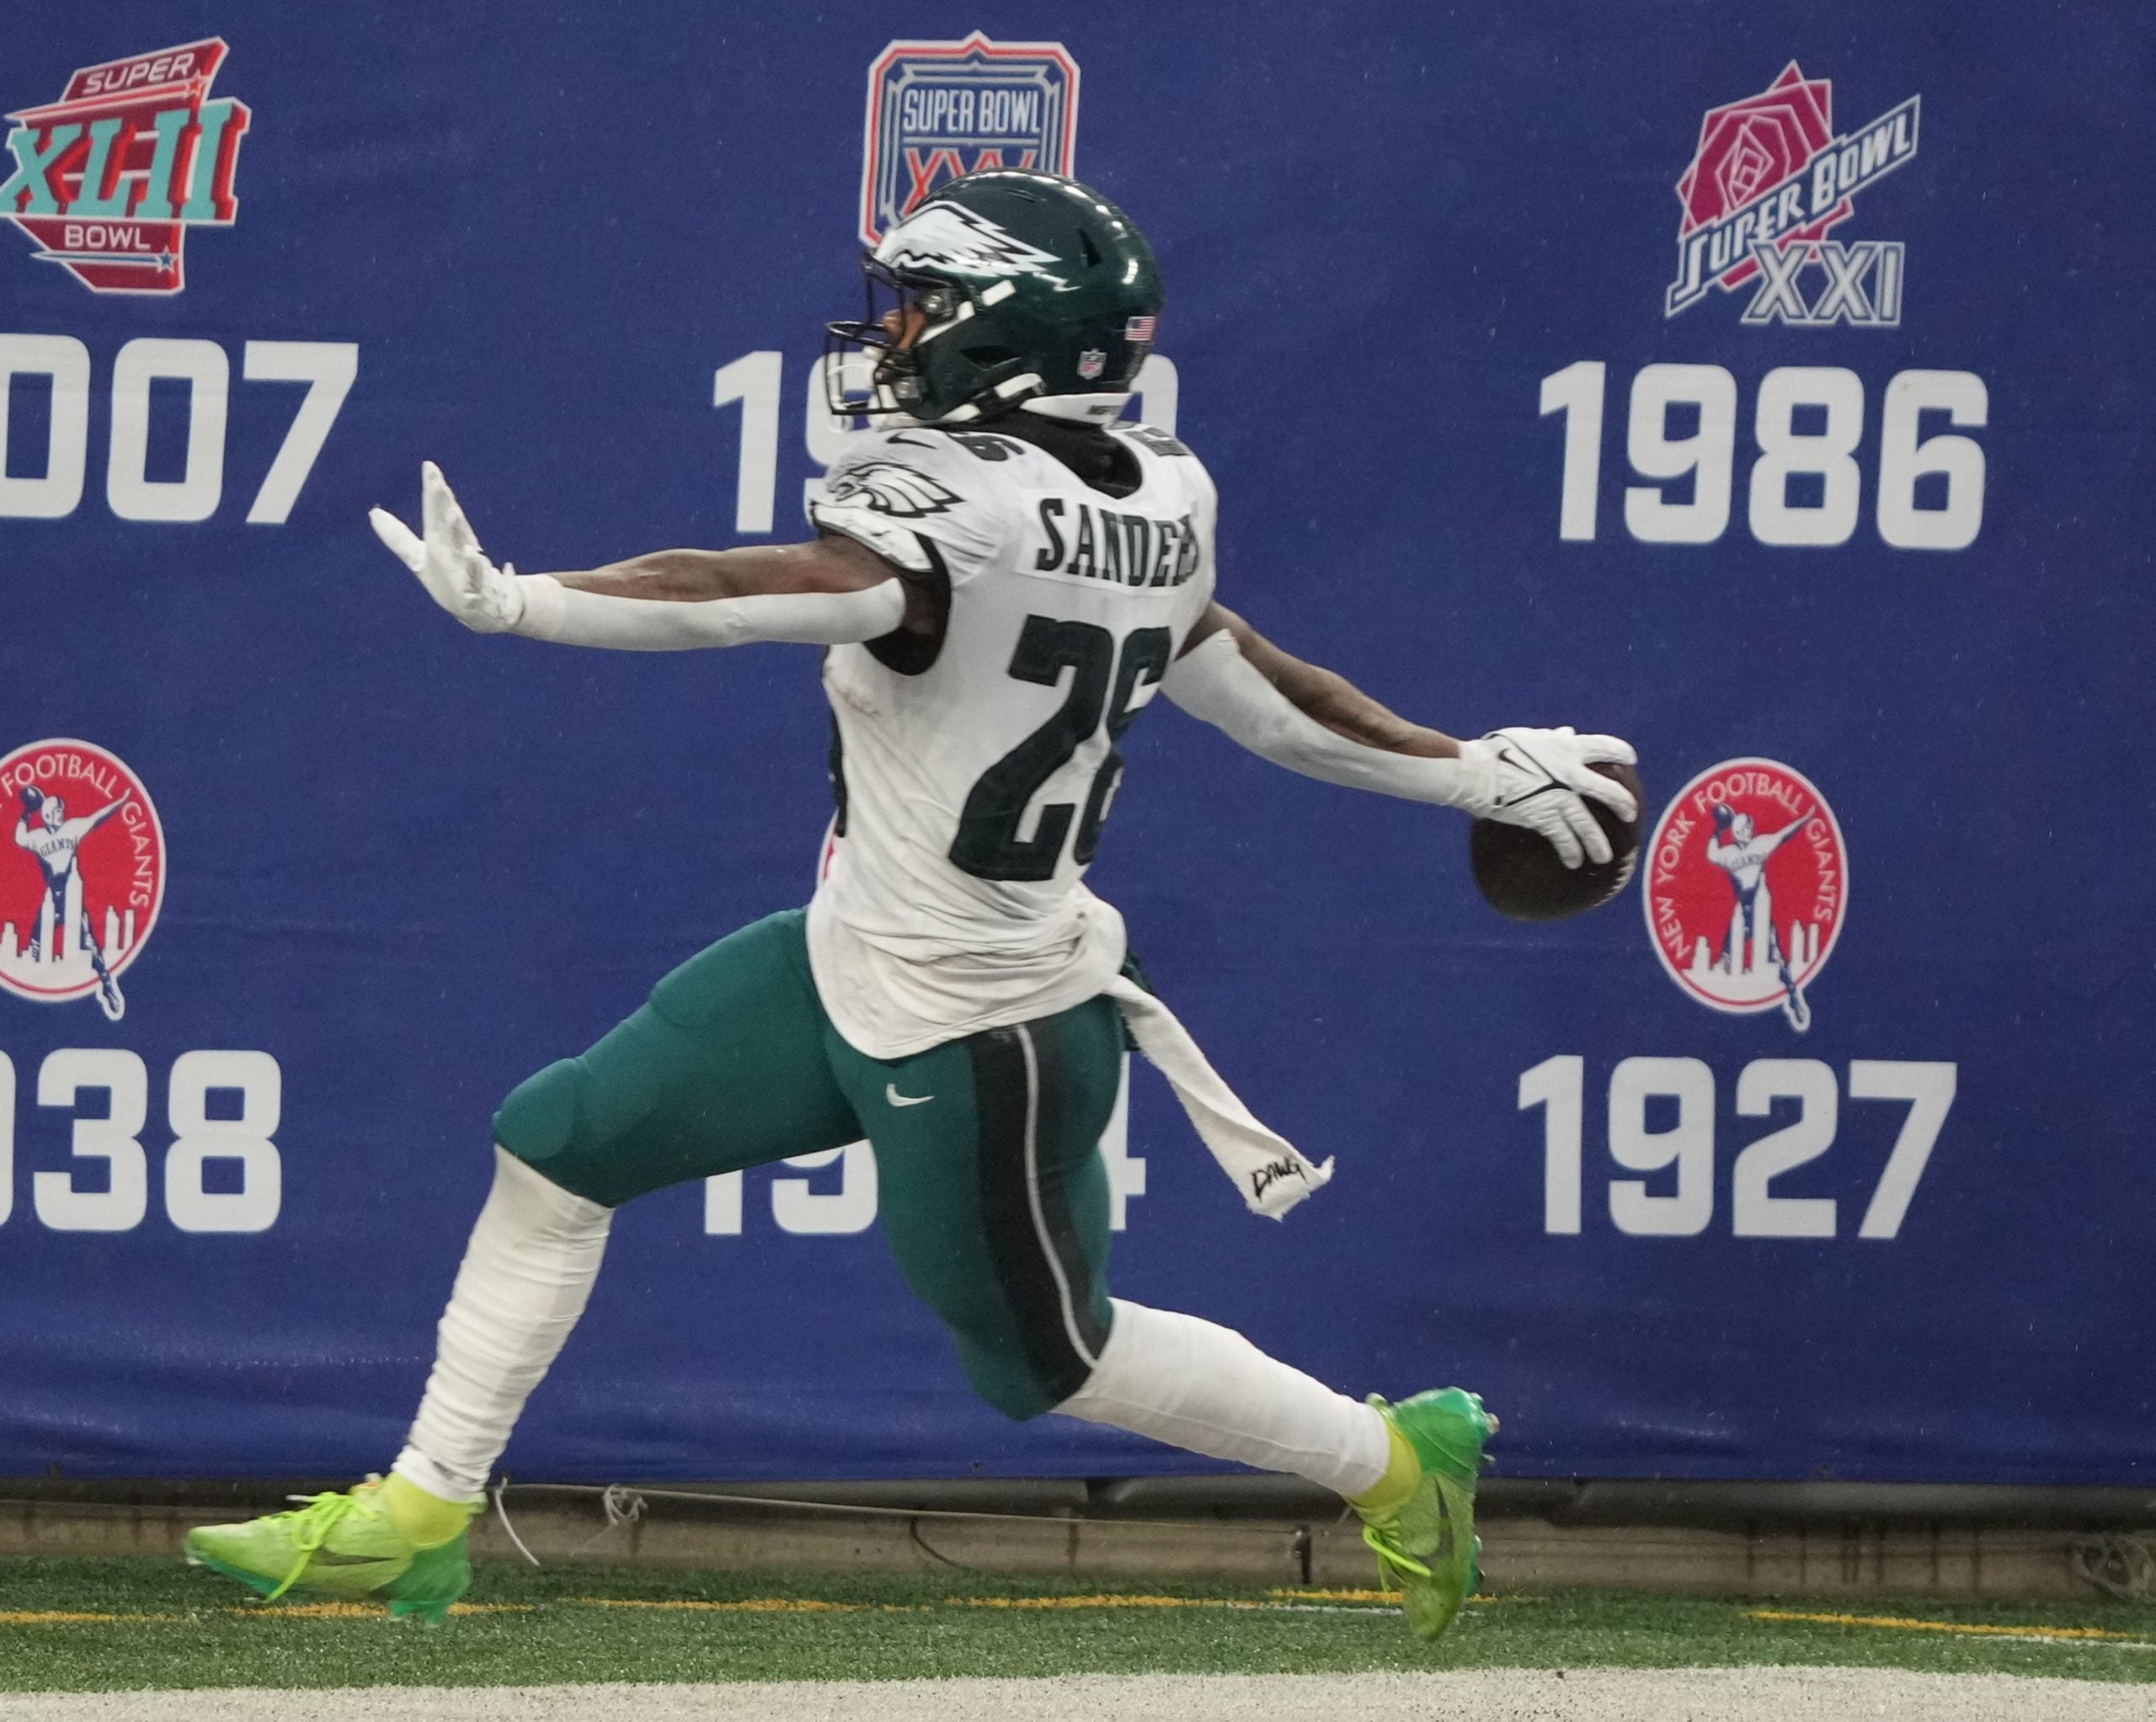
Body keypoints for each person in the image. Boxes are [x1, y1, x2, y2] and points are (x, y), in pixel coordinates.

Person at [184, 171, 1636, 1640]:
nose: (897, 330)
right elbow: (1264, 696)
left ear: (1010, 332)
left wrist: (526, 601)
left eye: (928, 303)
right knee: (556, 1144)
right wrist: (1462, 774)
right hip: (850, 960)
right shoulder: (1162, 493)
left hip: (984, 1022)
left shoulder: (961, 507)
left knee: (1051, 1364)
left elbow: (759, 589)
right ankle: (421, 1514)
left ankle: (1399, 1463)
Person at [13, 784, 131, 1020]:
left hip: (71, 896)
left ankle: (107, 985)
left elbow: (98, 817)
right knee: (35, 942)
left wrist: (120, 802)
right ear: (47, 815)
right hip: (52, 899)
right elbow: (19, 839)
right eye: (57, 811)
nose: (62, 813)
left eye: (62, 810)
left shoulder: (73, 828)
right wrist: (26, 813)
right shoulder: (38, 837)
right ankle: (25, 1005)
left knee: (90, 943)